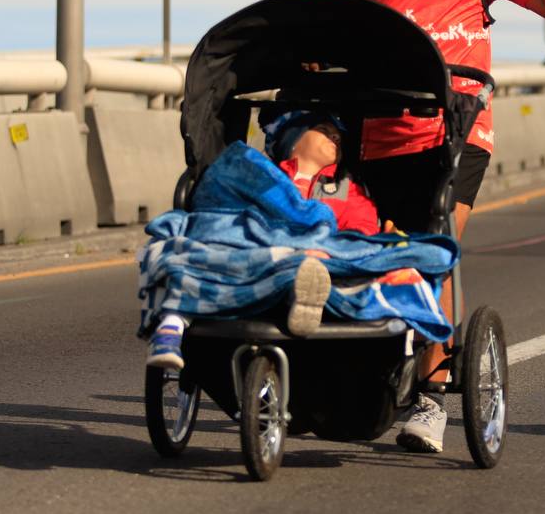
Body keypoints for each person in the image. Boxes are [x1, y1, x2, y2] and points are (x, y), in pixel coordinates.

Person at [304, 0, 545, 453]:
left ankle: (429, 396)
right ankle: (360, 368)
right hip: (372, 130)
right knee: (360, 252)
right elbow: (314, 24)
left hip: (457, 130)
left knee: (433, 245)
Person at [146, 112, 374, 369]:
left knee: (311, 262)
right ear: (293, 140)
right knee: (194, 249)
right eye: (323, 129)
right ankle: (171, 327)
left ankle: (300, 294)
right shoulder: (256, 174)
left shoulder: (348, 189)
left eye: (338, 137)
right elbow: (231, 209)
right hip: (255, 250)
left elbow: (361, 232)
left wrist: (329, 247)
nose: (335, 137)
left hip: (310, 255)